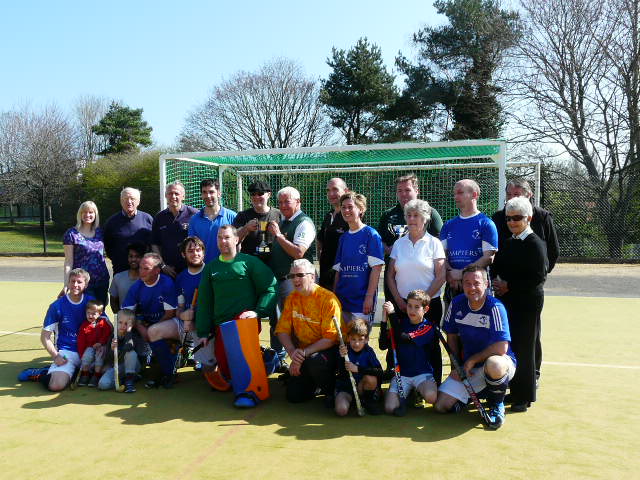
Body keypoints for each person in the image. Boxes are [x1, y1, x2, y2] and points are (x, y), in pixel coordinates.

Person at [194, 225, 277, 406]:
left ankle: (247, 393)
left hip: (244, 323)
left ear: (236, 239)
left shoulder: (249, 262)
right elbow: (205, 302)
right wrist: (203, 332)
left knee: (240, 360)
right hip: (221, 326)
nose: (223, 241)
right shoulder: (211, 268)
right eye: (219, 238)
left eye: (227, 237)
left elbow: (270, 288)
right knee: (224, 366)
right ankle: (267, 361)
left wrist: (257, 311)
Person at [492, 178, 558, 385]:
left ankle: (531, 376)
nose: (512, 199)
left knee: (529, 336)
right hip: (503, 291)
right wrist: (499, 282)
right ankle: (506, 376)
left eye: (517, 194)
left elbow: (552, 254)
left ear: (529, 196)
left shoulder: (543, 217)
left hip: (528, 291)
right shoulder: (498, 218)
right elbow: (496, 254)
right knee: (506, 334)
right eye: (509, 195)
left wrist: (532, 281)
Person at [435, 266, 517, 430]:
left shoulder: (495, 307)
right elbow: (451, 336)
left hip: (500, 364)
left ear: (486, 284)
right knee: (441, 406)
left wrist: (472, 360)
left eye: (476, 283)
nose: (472, 288)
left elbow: (501, 347)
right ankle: (475, 396)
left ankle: (496, 404)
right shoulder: (457, 303)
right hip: (470, 368)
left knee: (494, 364)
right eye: (467, 283)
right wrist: (457, 367)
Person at [492, 197, 548, 412]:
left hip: (527, 303)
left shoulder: (536, 244)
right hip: (508, 302)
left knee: (525, 348)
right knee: (512, 347)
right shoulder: (509, 241)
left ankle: (524, 396)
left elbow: (537, 278)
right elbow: (498, 268)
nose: (512, 222)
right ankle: (514, 390)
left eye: (517, 218)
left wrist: (509, 286)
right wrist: (498, 282)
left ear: (529, 218)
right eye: (508, 218)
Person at [385, 199, 446, 385]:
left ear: (425, 219)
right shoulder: (399, 244)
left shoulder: (434, 243)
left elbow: (441, 274)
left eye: (416, 216)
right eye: (409, 215)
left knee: (430, 346)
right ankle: (402, 383)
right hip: (402, 304)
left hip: (430, 306)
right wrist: (399, 301)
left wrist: (422, 303)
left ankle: (433, 383)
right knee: (401, 343)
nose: (412, 219)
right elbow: (390, 276)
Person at [275, 259, 340, 404]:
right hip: (304, 353)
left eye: (300, 275)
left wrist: (303, 354)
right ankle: (315, 384)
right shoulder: (292, 298)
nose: (295, 280)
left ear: (312, 276)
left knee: (315, 360)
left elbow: (330, 339)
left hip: (328, 351)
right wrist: (293, 353)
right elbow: (282, 330)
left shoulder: (328, 300)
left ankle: (332, 391)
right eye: (292, 276)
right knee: (294, 396)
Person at [268, 186, 316, 364]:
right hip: (281, 280)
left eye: (287, 201)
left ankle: (303, 365)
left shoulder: (304, 222)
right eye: (280, 202)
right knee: (283, 323)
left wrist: (279, 236)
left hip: (296, 282)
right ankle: (283, 361)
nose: (283, 205)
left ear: (298, 202)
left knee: (299, 324)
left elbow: (299, 252)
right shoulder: (283, 221)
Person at [121, 252, 178, 388]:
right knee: (121, 329)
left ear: (157, 270)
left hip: (167, 322)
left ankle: (168, 373)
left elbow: (170, 313)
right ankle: (128, 370)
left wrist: (150, 330)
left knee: (155, 334)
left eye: (146, 268)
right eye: (140, 268)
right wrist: (141, 327)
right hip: (145, 324)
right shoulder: (136, 287)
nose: (141, 271)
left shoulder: (167, 283)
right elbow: (126, 313)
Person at [36, 269, 95, 391]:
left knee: (107, 372)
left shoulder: (91, 302)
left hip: (89, 351)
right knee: (55, 385)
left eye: (79, 282)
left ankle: (74, 372)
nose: (75, 285)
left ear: (86, 285)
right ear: (68, 283)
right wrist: (56, 356)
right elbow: (45, 337)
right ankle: (41, 373)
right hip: (68, 352)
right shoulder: (56, 306)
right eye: (72, 281)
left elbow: (106, 325)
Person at [440, 179, 499, 299]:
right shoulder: (448, 225)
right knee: (451, 317)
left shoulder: (486, 224)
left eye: (460, 193)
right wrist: (451, 274)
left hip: (476, 286)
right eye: (454, 193)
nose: (456, 197)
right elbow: (441, 256)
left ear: (475, 195)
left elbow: (488, 257)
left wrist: (462, 274)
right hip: (453, 284)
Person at [382, 291, 438, 416]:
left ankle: (418, 391)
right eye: (409, 305)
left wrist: (392, 314)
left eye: (417, 307)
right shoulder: (401, 323)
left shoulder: (427, 327)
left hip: (422, 374)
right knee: (390, 408)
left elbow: (403, 338)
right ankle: (410, 393)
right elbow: (382, 345)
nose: (412, 310)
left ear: (426, 309)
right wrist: (383, 320)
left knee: (431, 397)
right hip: (402, 375)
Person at [332, 192, 384, 327]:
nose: (346, 210)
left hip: (361, 302)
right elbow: (339, 271)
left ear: (361, 209)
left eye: (350, 207)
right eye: (343, 207)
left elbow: (376, 269)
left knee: (359, 343)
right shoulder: (343, 238)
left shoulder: (371, 235)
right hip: (342, 300)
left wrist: (369, 298)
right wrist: (334, 296)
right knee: (342, 343)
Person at [62, 201, 110, 304]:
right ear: (80, 214)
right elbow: (68, 262)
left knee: (100, 311)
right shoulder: (71, 234)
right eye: (84, 212)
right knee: (87, 312)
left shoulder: (100, 232)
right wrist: (66, 284)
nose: (87, 215)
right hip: (82, 282)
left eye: (91, 212)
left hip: (102, 280)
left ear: (95, 215)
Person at [335, 318, 383, 416]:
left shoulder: (369, 352)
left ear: (366, 339)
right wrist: (341, 359)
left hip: (362, 388)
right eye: (353, 339)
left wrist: (358, 369)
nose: (356, 344)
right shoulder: (343, 351)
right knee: (341, 410)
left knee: (371, 378)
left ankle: (368, 401)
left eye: (360, 340)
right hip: (347, 388)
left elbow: (380, 372)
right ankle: (352, 402)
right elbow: (339, 374)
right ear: (348, 338)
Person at [151, 180, 198, 277]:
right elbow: (155, 245)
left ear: (183, 196)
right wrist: (163, 266)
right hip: (167, 271)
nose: (173, 196)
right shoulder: (159, 218)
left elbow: (201, 242)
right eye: (170, 193)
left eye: (176, 193)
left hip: (191, 269)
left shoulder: (194, 215)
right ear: (165, 196)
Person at [103, 187, 153, 275]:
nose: (129, 202)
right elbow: (108, 247)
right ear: (121, 201)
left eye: (132, 199)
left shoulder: (148, 219)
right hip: (121, 271)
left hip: (145, 272)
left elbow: (153, 243)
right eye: (125, 199)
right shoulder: (111, 222)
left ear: (138, 201)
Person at [188, 178, 237, 264]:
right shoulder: (194, 220)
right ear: (201, 195)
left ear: (219, 194)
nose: (208, 196)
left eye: (211, 192)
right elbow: (192, 247)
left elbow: (238, 245)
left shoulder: (232, 216)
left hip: (228, 268)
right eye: (204, 192)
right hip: (204, 270)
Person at [233, 180, 282, 263]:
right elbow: (233, 240)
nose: (256, 197)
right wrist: (246, 228)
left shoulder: (279, 214)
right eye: (253, 194)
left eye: (260, 194)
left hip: (274, 264)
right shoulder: (242, 215)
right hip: (249, 264)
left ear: (269, 195)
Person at [98, 309, 143, 393]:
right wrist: (112, 349)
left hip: (133, 365)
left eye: (126, 324)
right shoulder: (112, 336)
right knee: (103, 384)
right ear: (116, 322)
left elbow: (129, 347)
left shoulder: (133, 335)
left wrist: (129, 331)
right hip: (118, 366)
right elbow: (110, 358)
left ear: (131, 325)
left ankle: (129, 381)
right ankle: (125, 379)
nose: (123, 326)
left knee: (131, 353)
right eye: (120, 322)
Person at [317, 178, 349, 289]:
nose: (331, 193)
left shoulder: (351, 217)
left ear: (346, 191)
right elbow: (320, 239)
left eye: (335, 189)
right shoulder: (328, 215)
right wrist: (320, 256)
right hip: (326, 275)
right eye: (328, 190)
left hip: (344, 277)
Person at [76, 299, 112, 387]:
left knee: (99, 356)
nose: (90, 315)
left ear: (100, 314)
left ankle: (96, 376)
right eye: (88, 313)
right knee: (86, 356)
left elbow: (107, 334)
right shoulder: (84, 325)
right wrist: (81, 355)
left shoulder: (103, 323)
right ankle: (85, 375)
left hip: (101, 347)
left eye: (94, 313)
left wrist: (100, 343)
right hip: (89, 347)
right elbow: (81, 341)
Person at [109, 242, 146, 314]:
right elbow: (113, 302)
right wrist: (120, 317)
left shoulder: (149, 278)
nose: (133, 259)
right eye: (131, 256)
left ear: (143, 258)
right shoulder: (118, 277)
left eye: (137, 256)